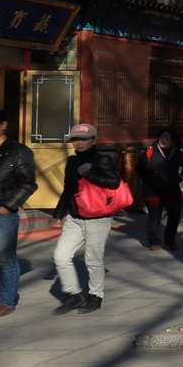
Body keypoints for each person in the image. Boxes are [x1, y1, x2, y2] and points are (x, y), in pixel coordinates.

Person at [52, 122, 121, 313]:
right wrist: (58, 214)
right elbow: (68, 189)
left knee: (93, 259)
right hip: (74, 217)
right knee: (61, 256)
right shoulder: (72, 161)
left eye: (83, 139)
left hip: (98, 217)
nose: (79, 143)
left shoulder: (103, 159)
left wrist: (89, 173)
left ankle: (95, 296)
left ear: (93, 140)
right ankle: (73, 294)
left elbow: (114, 183)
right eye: (75, 139)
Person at [0, 105, 36, 319]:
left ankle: (6, 301)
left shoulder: (19, 152)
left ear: (3, 125)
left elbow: (28, 183)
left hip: (0, 214)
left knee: (5, 259)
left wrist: (8, 207)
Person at [136, 128, 183, 252]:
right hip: (153, 191)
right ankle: (154, 241)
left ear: (173, 142)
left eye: (167, 138)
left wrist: (179, 178)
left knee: (174, 215)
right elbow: (139, 168)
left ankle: (170, 240)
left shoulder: (179, 154)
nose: (163, 140)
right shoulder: (150, 151)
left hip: (172, 191)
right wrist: (149, 180)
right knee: (154, 218)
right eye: (162, 137)